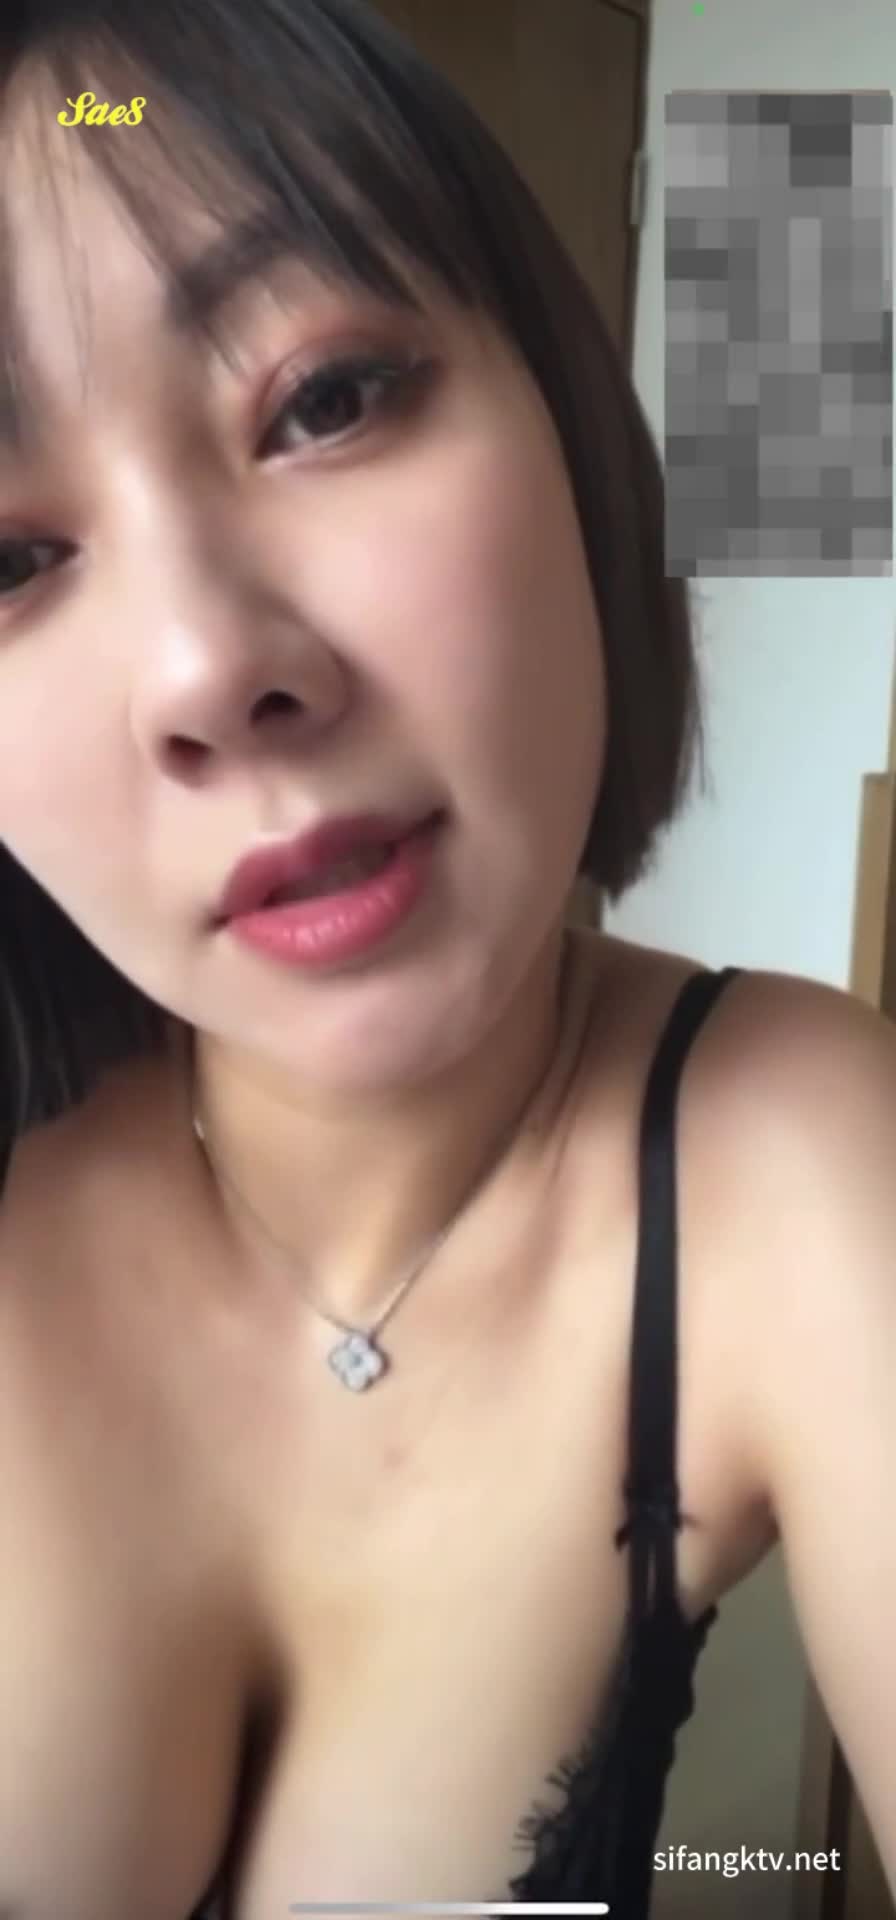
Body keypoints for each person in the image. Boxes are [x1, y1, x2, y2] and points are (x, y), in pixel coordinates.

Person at [0, 2, 893, 1916]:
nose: (208, 669)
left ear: (565, 413)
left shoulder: (795, 1155)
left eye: (324, 400)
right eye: (6, 561)